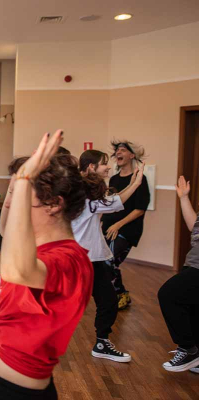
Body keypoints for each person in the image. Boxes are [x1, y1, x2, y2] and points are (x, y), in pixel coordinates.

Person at [0, 131, 93, 400]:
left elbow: (16, 271)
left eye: (22, 197)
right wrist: (21, 181)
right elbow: (6, 231)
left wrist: (24, 180)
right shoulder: (36, 250)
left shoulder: (70, 260)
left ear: (53, 204)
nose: (13, 204)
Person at [72, 149, 144, 363]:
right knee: (71, 303)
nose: (109, 167)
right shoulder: (82, 190)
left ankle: (102, 343)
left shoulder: (85, 188)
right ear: (91, 167)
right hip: (83, 258)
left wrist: (134, 183)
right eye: (104, 163)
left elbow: (110, 201)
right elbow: (113, 204)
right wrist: (136, 184)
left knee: (108, 301)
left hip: (91, 257)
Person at [157, 176, 199, 373]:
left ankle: (188, 349)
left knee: (169, 294)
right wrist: (183, 198)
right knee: (192, 307)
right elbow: (194, 228)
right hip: (192, 263)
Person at [102, 140, 150, 310]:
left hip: (127, 230)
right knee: (104, 262)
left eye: (122, 150)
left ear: (132, 155)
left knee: (109, 261)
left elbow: (140, 209)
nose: (118, 153)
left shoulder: (140, 179)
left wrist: (118, 225)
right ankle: (112, 294)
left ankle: (121, 294)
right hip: (108, 227)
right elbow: (110, 203)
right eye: (117, 151)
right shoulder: (113, 179)